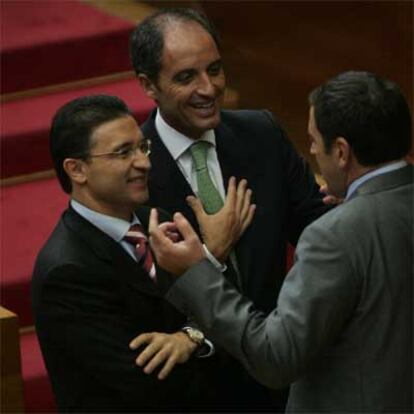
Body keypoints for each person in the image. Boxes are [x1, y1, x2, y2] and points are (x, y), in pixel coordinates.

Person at [140, 71, 413, 412]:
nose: (311, 149)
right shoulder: (356, 218)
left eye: (314, 140)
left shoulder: (334, 234)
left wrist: (198, 270)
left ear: (341, 152)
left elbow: (276, 358)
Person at [130, 8, 330, 410]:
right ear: (148, 85)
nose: (209, 88)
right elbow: (141, 301)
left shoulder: (262, 134)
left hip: (284, 382)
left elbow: (320, 233)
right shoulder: (132, 171)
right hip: (195, 392)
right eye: (186, 77)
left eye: (216, 70)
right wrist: (209, 253)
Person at [31, 94, 253, 412]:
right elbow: (149, 383)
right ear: (77, 169)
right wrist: (212, 341)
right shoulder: (67, 272)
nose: (144, 162)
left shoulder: (161, 219)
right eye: (124, 153)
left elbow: (233, 303)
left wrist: (190, 338)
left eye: (142, 147)